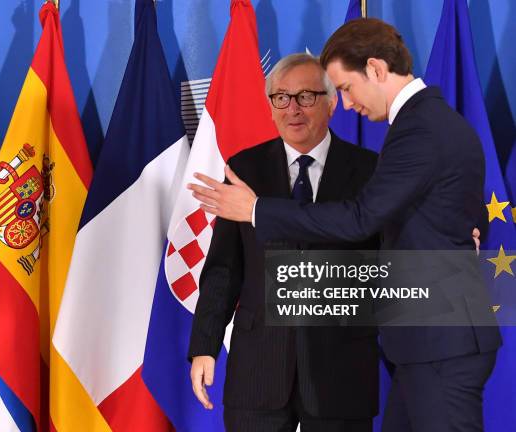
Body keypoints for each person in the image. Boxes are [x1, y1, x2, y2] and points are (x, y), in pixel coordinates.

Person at [189, 19, 501, 432]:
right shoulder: (424, 123)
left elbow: (362, 219)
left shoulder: (416, 131)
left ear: (373, 69)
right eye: (280, 98)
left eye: (345, 89)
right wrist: (471, 225)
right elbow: (440, 197)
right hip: (395, 350)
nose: (350, 103)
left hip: (422, 346)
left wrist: (256, 210)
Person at [188, 53, 380, 432]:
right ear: (271, 106)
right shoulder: (244, 169)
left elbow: (392, 260)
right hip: (258, 369)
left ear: (330, 103)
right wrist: (204, 347)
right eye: (281, 98)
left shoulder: (371, 171)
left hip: (341, 370)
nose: (293, 109)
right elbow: (224, 270)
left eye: (306, 96)